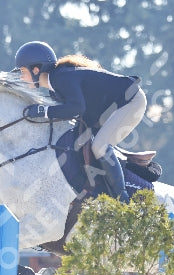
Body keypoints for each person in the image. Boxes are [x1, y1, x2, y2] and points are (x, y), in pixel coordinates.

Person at [13, 41, 147, 203]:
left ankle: (122, 199)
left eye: (22, 71)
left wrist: (44, 111)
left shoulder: (60, 78)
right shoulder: (54, 87)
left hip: (131, 101)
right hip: (112, 108)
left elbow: (76, 108)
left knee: (99, 146)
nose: (21, 77)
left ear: (36, 69)